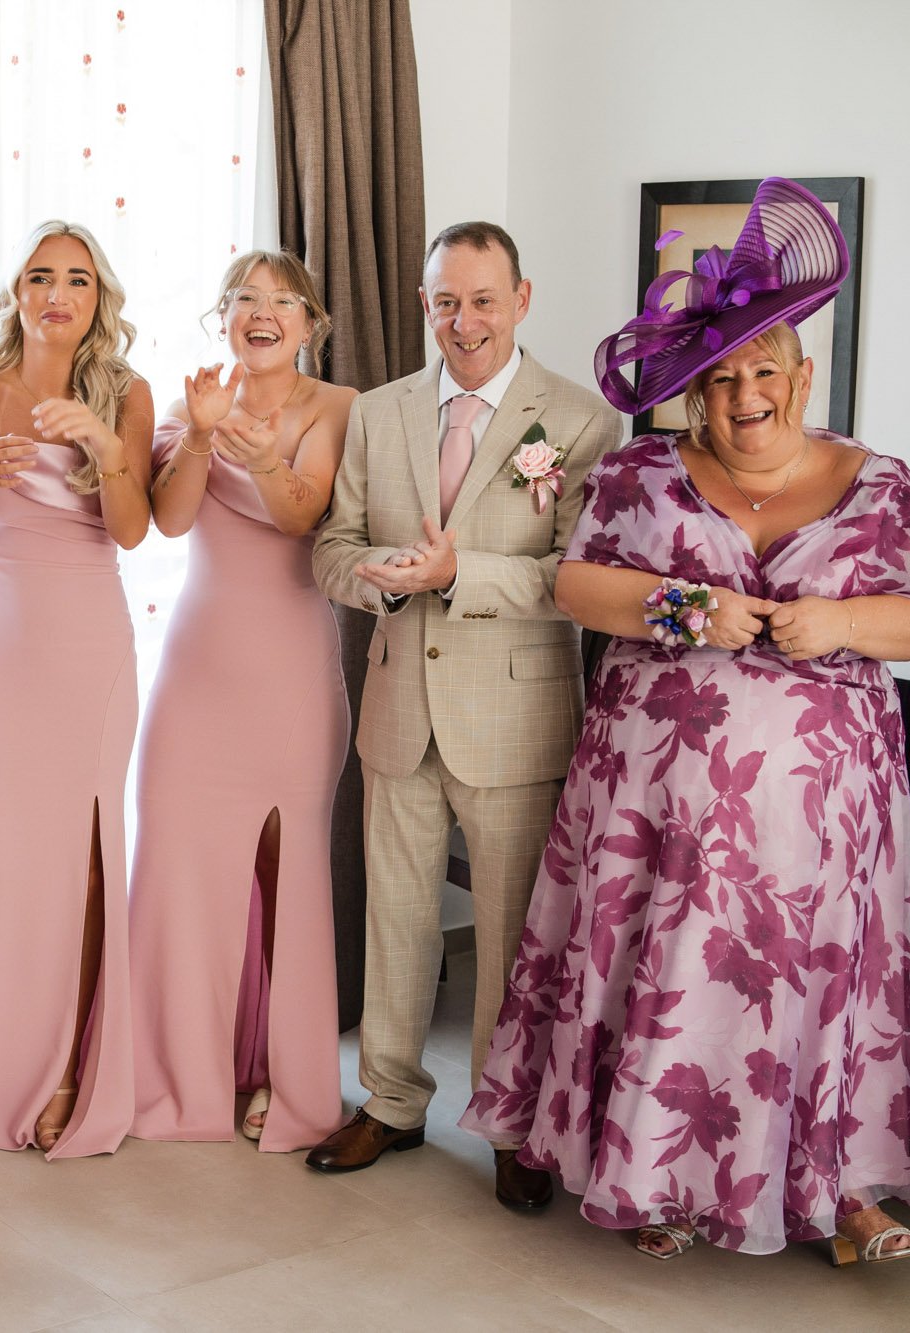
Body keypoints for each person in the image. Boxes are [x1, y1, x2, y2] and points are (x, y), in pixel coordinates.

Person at [460, 176, 910, 1264]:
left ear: (803, 376)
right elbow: (576, 587)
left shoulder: (886, 491)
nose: (745, 394)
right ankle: (661, 1184)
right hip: (657, 817)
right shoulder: (641, 474)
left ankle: (839, 1189)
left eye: (765, 372)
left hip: (817, 832)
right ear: (695, 390)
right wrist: (683, 607)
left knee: (814, 985)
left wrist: (840, 620)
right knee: (673, 979)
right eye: (722, 376)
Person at [307, 221, 622, 1209]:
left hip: (516, 721)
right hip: (399, 708)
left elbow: (578, 578)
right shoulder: (380, 411)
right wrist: (384, 575)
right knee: (396, 922)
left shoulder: (579, 421)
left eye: (483, 299)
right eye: (446, 300)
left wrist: (458, 574)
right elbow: (331, 549)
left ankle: (509, 1122)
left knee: (513, 940)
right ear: (423, 304)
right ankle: (391, 1101)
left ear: (521, 300)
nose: (464, 320)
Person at [0, 220, 153, 1157]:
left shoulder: (129, 393)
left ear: (98, 299)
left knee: (86, 851)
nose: (56, 293)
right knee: (3, 844)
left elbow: (135, 530)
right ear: (15, 292)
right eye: (39, 276)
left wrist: (104, 440)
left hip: (89, 645)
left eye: (76, 279)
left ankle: (73, 1066)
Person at [129, 252, 354, 1151]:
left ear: (310, 323)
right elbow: (170, 518)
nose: (262, 313)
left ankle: (276, 1073)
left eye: (282, 301)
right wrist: (199, 433)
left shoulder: (338, 407)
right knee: (177, 859)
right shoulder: (191, 404)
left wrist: (260, 455)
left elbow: (304, 515)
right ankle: (178, 1070)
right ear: (222, 316)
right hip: (196, 670)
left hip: (292, 669)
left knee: (282, 870)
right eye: (245, 299)